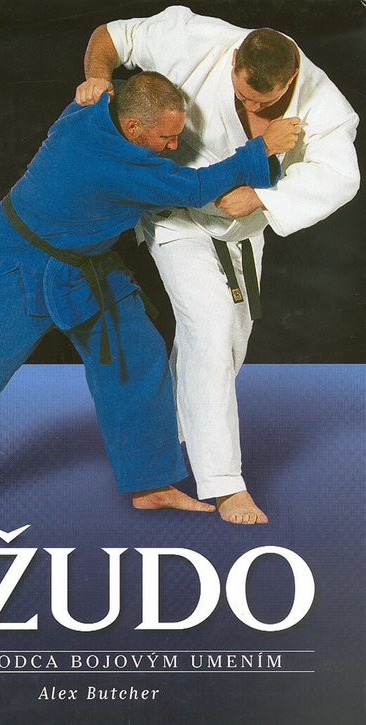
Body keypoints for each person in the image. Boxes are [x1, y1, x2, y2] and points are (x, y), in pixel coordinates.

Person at [0, 71, 299, 526]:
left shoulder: (90, 109)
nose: (173, 145)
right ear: (133, 128)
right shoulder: (118, 166)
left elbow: (113, 81)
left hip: (85, 262)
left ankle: (151, 484)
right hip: (15, 264)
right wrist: (262, 149)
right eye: (166, 137)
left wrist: (99, 78)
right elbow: (197, 189)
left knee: (138, 355)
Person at [76, 6, 360, 525]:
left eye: (263, 101)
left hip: (242, 226)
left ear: (291, 80)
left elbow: (340, 177)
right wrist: (98, 77)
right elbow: (112, 36)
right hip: (175, 209)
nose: (250, 105)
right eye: (243, 94)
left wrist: (263, 199)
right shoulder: (197, 38)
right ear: (234, 61)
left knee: (226, 344)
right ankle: (225, 485)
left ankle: (158, 445)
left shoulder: (325, 106)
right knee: (208, 326)